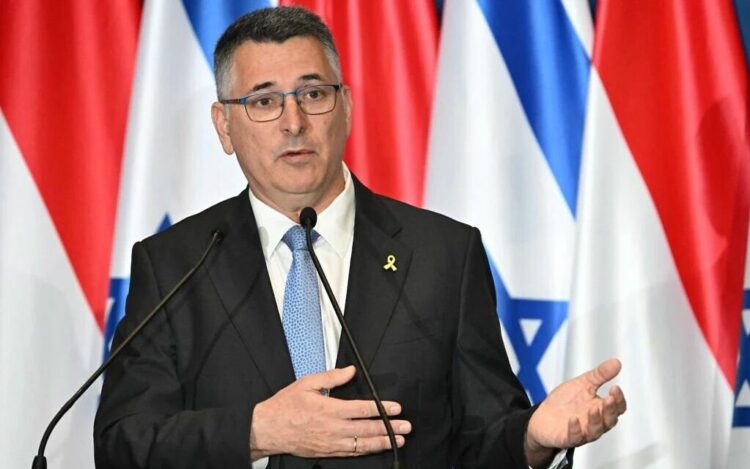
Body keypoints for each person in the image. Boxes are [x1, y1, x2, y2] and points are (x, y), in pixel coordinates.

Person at [94, 6, 626, 469]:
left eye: (313, 94)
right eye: (264, 101)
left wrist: (531, 438)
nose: (293, 122)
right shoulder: (174, 264)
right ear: (224, 126)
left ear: (345, 105)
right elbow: (122, 443)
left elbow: (481, 438)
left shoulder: (443, 254)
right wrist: (256, 432)